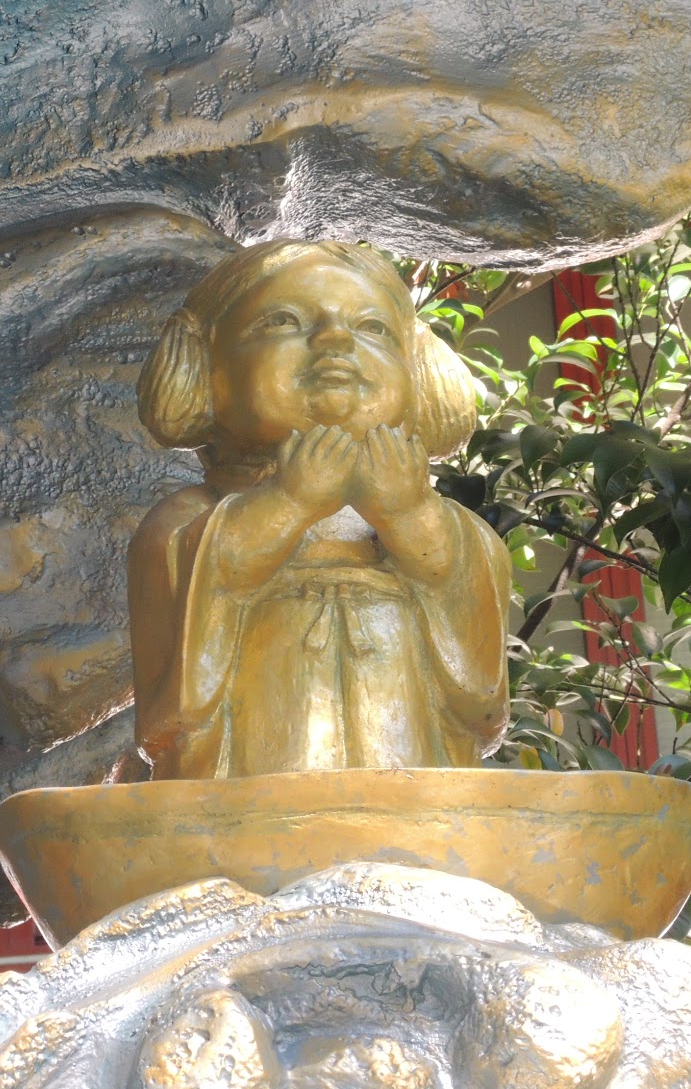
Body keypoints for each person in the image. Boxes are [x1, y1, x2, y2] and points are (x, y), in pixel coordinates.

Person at [128, 240, 511, 779]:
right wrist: (289, 504)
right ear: (204, 366)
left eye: (372, 328)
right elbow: (194, 610)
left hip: (411, 792)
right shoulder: (188, 520)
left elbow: (481, 690)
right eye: (283, 321)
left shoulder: (445, 527)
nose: (333, 340)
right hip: (244, 797)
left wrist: (406, 516)